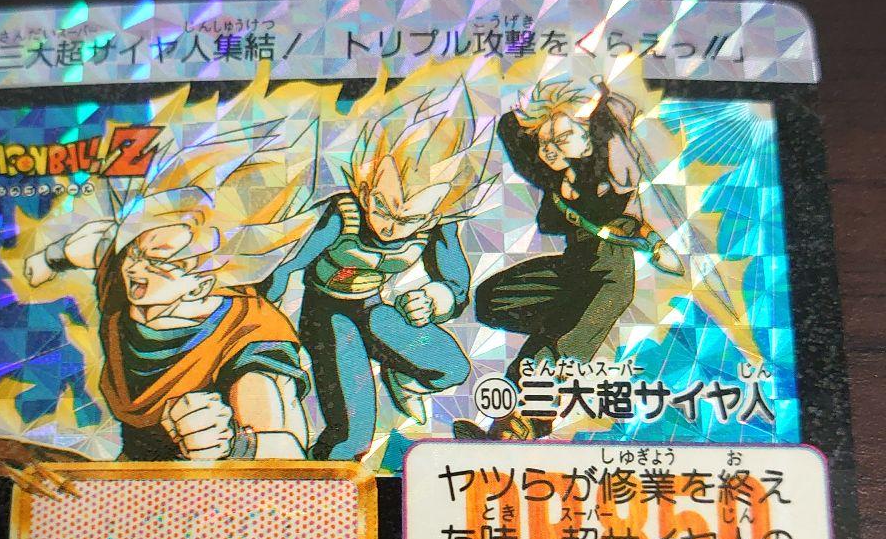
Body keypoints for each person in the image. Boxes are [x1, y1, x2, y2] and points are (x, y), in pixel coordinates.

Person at [20, 118, 322, 461]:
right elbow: (95, 242)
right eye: (136, 253)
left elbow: (289, 456)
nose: (136, 268)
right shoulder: (124, 274)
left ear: (200, 286)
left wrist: (235, 444)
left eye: (159, 264)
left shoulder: (248, 340)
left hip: (210, 484)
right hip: (129, 475)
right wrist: (47, 260)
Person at [262, 83, 495, 460]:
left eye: (409, 219)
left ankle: (399, 373)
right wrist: (263, 324)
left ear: (432, 214)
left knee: (451, 368)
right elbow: (287, 264)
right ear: (366, 188)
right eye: (382, 208)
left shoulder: (436, 227)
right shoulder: (344, 215)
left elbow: (455, 284)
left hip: (373, 309)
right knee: (352, 437)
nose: (390, 227)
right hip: (328, 317)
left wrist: (434, 299)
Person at [454, 78, 682, 441]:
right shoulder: (553, 175)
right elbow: (517, 143)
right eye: (546, 143)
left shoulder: (612, 176)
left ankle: (516, 428)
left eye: (562, 139)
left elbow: (616, 143)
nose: (549, 149)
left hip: (608, 270)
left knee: (563, 344)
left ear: (588, 139)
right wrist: (519, 113)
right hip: (574, 267)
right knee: (492, 299)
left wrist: (603, 106)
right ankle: (515, 424)